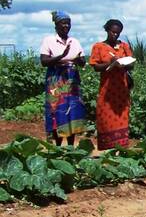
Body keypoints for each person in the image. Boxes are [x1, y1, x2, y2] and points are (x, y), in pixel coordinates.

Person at [39, 11, 87, 146]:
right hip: (55, 80)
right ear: (56, 25)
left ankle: (71, 146)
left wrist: (78, 60)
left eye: (68, 23)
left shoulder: (74, 41)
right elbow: (44, 61)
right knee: (56, 112)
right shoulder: (49, 40)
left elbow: (82, 61)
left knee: (72, 112)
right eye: (63, 23)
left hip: (72, 80)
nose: (66, 26)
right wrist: (61, 56)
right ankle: (58, 146)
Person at [89, 19, 133, 150]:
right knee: (105, 116)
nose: (115, 35)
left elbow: (131, 64)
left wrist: (124, 63)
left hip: (121, 89)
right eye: (113, 32)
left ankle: (121, 147)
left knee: (122, 116)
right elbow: (96, 67)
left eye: (118, 33)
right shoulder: (99, 47)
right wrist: (111, 63)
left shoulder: (124, 46)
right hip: (107, 89)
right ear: (107, 30)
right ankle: (108, 147)